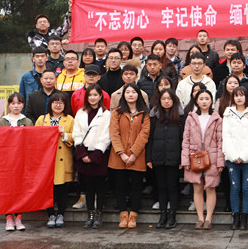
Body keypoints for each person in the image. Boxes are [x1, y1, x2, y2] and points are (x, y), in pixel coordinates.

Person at [181, 88, 224, 229]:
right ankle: (200, 218)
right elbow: (186, 140)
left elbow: (220, 141)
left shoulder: (217, 118)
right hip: (195, 156)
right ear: (196, 101)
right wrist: (185, 160)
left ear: (211, 101)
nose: (204, 101)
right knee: (197, 187)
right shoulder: (191, 117)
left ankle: (208, 218)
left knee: (210, 187)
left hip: (212, 156)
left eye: (207, 98)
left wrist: (220, 161)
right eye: (201, 99)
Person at [109, 83, 150, 230]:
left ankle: (133, 215)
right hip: (118, 156)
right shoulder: (117, 112)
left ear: (138, 94)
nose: (131, 95)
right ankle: (123, 215)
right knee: (121, 186)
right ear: (124, 95)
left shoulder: (144, 113)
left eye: (133, 92)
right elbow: (114, 133)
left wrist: (133, 153)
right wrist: (121, 153)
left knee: (136, 187)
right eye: (128, 92)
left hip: (137, 156)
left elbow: (144, 134)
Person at [73, 84, 112, 229]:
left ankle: (98, 214)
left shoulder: (106, 114)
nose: (93, 98)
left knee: (100, 187)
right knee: (88, 187)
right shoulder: (80, 113)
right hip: (83, 154)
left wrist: (96, 153)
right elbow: (76, 133)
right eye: (90, 95)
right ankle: (90, 214)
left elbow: (106, 135)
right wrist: (82, 153)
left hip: (99, 155)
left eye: (95, 95)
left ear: (100, 96)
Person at [222, 87, 248, 230]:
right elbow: (226, 136)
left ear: (247, 97)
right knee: (235, 186)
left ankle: (244, 217)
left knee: (246, 187)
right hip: (232, 157)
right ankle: (235, 216)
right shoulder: (228, 113)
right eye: (236, 95)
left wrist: (244, 156)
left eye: (242, 95)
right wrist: (234, 156)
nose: (239, 98)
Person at [0, 92, 34, 231]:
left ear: (23, 105)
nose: (16, 106)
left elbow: (32, 140)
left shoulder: (27, 121)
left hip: (22, 160)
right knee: (7, 189)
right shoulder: (2, 122)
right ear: (9, 105)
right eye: (13, 103)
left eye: (19, 103)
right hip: (6, 161)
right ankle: (8, 218)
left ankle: (18, 217)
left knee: (20, 189)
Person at [146, 88, 183, 229]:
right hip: (158, 155)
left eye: (169, 98)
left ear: (174, 100)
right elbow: (150, 138)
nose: (166, 101)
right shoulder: (154, 116)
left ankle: (172, 215)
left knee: (172, 186)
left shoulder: (180, 117)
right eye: (163, 99)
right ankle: (163, 214)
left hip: (174, 157)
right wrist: (149, 158)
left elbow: (183, 139)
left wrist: (182, 159)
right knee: (161, 186)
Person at [36, 92, 73, 229]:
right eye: (55, 102)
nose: (58, 105)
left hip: (62, 158)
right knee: (48, 189)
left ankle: (61, 213)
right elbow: (35, 137)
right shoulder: (42, 119)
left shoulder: (69, 119)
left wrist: (64, 135)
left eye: (61, 103)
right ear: (50, 104)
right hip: (46, 159)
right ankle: (50, 214)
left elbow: (75, 137)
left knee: (62, 188)